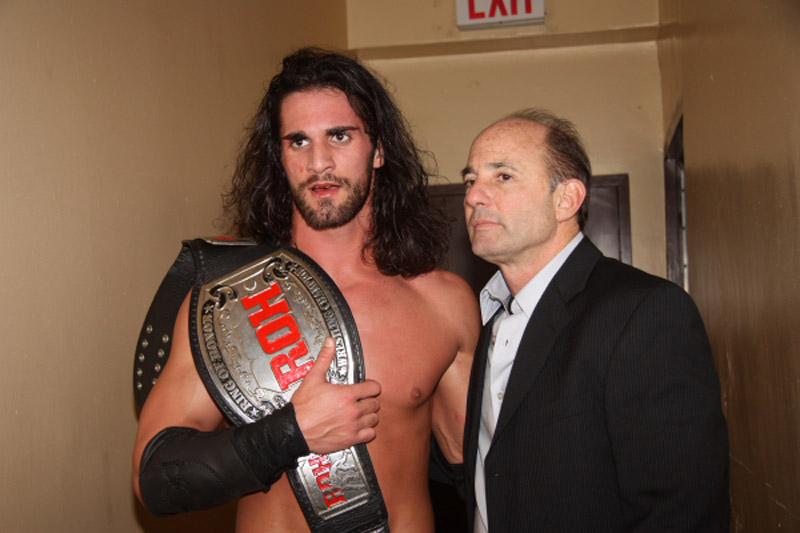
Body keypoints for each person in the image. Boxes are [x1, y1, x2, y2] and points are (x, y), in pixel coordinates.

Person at [132, 48, 478, 532]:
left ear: (378, 150)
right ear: (280, 157)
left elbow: (479, 469)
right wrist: (289, 433)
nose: (319, 162)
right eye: (298, 141)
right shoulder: (228, 304)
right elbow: (155, 480)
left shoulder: (443, 302)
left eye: (340, 135)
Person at [461, 109, 729, 532]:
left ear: (566, 199)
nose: (475, 196)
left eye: (503, 176)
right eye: (470, 180)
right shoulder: (486, 314)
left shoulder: (646, 312)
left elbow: (680, 510)